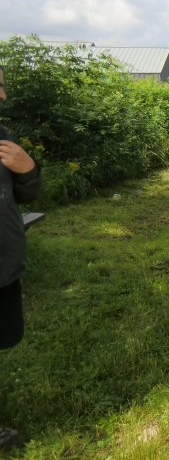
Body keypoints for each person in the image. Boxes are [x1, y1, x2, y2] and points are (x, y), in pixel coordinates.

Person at [0, 66, 41, 449]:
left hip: (4, 264)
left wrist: (27, 169)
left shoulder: (4, 139)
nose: (3, 96)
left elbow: (27, 195)